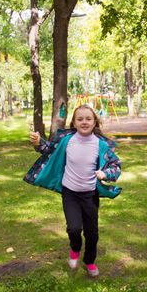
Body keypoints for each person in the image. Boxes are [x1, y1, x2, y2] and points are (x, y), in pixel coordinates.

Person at [24, 105, 122, 277]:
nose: (84, 122)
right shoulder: (66, 140)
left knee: (92, 233)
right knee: (74, 229)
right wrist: (39, 142)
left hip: (90, 194)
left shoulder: (101, 145)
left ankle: (90, 261)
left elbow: (116, 166)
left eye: (88, 119)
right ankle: (75, 248)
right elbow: (48, 150)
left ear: (94, 122)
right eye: (80, 119)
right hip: (70, 193)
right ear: (74, 122)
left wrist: (105, 173)